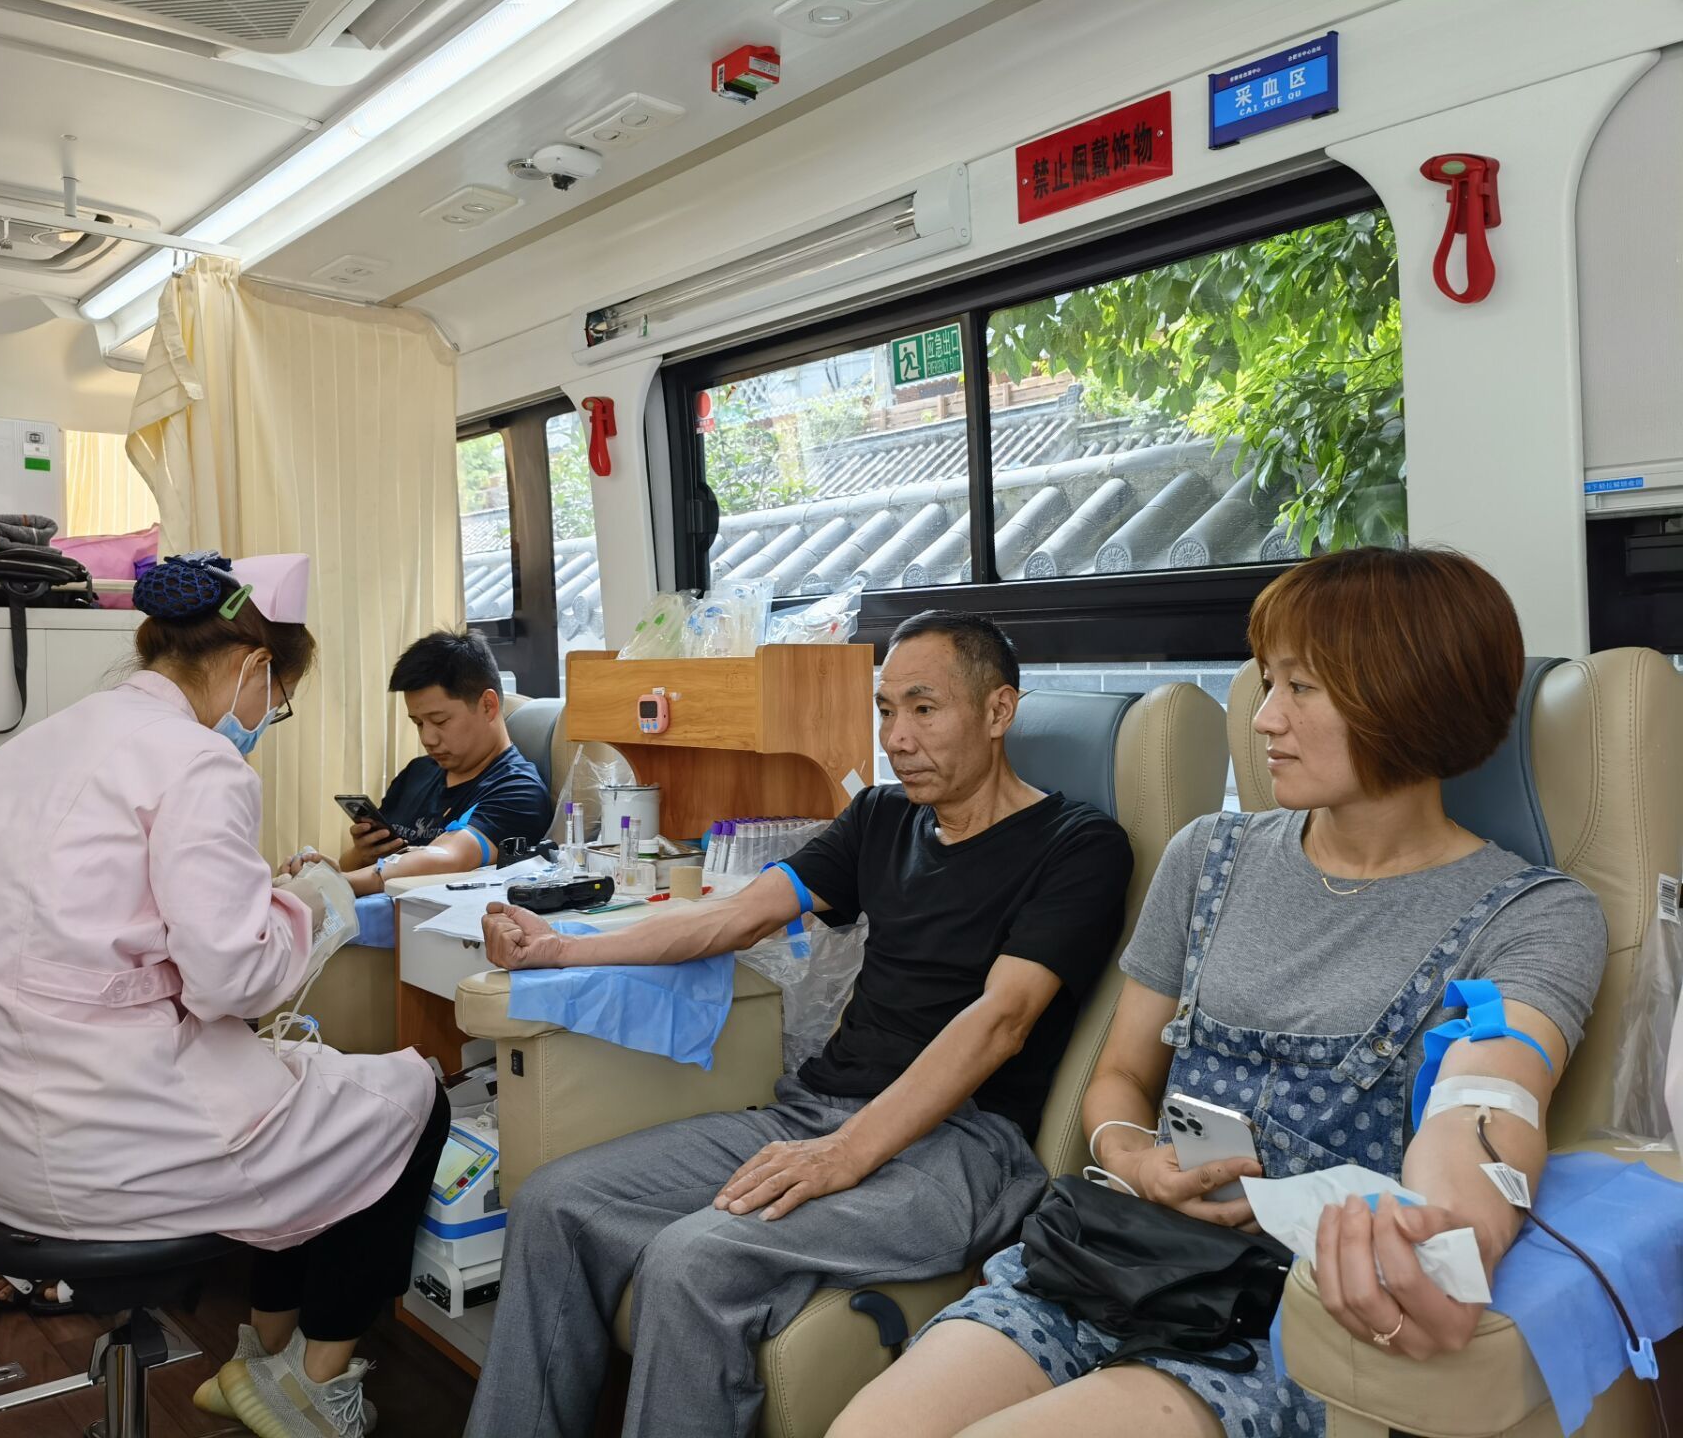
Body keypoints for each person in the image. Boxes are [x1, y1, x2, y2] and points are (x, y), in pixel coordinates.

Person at [830, 548, 1610, 1438]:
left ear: (1413, 697)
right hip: (1120, 1256)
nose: (1264, 718)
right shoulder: (1209, 857)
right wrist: (1135, 1160)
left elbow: (1489, 1107)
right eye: (1267, 683)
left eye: (1300, 688)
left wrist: (1459, 1235)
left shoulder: (1532, 915)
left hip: (1286, 1318)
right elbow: (1120, 1076)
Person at [463, 610, 1136, 1438]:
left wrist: (847, 1153)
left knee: (690, 1261)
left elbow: (1002, 1020)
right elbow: (736, 916)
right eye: (885, 710)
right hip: (818, 1109)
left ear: (999, 711)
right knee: (553, 1201)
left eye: (924, 709)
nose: (897, 738)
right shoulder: (881, 817)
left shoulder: (1079, 845)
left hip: (962, 1146)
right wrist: (561, 949)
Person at [0, 551, 448, 1438]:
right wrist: (309, 905)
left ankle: (257, 1365)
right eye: (277, 700)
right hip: (108, 1137)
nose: (264, 720)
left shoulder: (31, 750)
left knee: (312, 1091)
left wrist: (255, 907)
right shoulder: (200, 766)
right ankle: (311, 1386)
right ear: (255, 666)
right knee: (411, 1093)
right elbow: (233, 980)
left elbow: (82, 932)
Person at [335, 628, 551, 895]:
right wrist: (357, 856)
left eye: (440, 721)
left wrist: (334, 884)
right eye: (418, 723)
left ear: (488, 705)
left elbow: (449, 858)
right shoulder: (417, 772)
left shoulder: (518, 791)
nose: (427, 738)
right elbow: (355, 865)